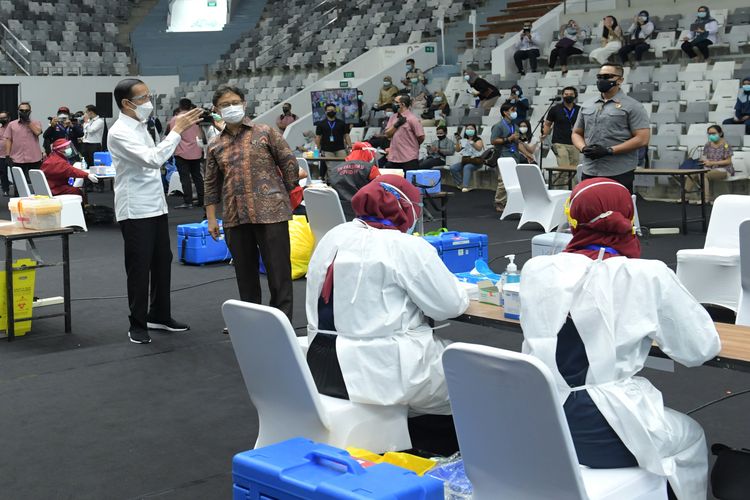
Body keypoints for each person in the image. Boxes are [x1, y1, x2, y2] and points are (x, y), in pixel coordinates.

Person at [520, 177, 720, 500]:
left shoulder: (536, 269)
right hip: (605, 428)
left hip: (542, 421)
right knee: (692, 437)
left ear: (573, 218)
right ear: (629, 218)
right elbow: (700, 348)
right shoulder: (647, 274)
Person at [305, 175, 469, 455]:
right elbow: (449, 306)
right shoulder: (404, 246)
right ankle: (463, 449)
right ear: (406, 209)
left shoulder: (334, 235)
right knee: (473, 371)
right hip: (381, 370)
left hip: (319, 363)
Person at [107, 78, 203, 344]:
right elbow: (153, 159)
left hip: (155, 204)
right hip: (135, 207)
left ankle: (159, 314)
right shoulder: (119, 132)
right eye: (143, 98)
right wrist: (177, 131)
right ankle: (137, 323)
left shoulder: (142, 126)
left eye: (149, 96)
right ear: (127, 103)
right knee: (139, 266)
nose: (148, 102)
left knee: (162, 261)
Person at [204, 84, 299, 325]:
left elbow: (289, 163)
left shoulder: (265, 132)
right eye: (225, 105)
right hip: (235, 216)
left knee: (278, 271)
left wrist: (283, 195)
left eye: (235, 102)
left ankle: (281, 322)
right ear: (217, 110)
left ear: (244, 104)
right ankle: (252, 322)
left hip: (272, 213)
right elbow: (211, 184)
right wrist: (212, 218)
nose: (231, 107)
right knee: (244, 274)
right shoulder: (215, 145)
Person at [571, 64, 650, 193]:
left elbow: (642, 139)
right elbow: (576, 133)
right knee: (589, 210)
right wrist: (583, 148)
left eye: (607, 77)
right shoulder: (587, 105)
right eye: (600, 77)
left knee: (616, 211)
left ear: (620, 80)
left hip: (618, 171)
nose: (602, 80)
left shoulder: (633, 106)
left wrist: (609, 150)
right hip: (590, 169)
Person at [168, 98, 206, 209]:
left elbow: (173, 135)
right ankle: (202, 200)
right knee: (198, 177)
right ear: (190, 107)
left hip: (181, 152)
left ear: (180, 106)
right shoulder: (196, 118)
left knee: (185, 178)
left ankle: (188, 201)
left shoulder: (175, 119)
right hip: (196, 151)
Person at [327, 141, 381, 216]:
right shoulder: (371, 169)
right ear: (369, 153)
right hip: (363, 213)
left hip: (339, 212)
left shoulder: (334, 170)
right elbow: (379, 189)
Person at [685, 125, 734, 202]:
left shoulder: (726, 145)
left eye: (713, 133)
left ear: (720, 133)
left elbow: (728, 161)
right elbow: (704, 157)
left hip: (724, 170)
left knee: (703, 175)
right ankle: (685, 198)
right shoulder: (708, 144)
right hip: (709, 168)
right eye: (709, 134)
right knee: (691, 174)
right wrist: (703, 160)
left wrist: (712, 163)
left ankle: (705, 199)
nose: (711, 136)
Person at [4, 101, 43, 187]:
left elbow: (37, 132)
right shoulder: (12, 124)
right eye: (22, 110)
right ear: (18, 111)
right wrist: (7, 156)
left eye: (26, 110)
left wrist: (28, 122)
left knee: (36, 184)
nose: (24, 112)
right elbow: (8, 140)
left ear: (30, 111)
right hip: (17, 159)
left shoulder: (36, 123)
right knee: (19, 185)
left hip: (34, 159)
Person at [490, 102, 520, 212]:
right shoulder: (498, 126)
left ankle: (509, 201)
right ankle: (499, 201)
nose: (514, 113)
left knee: (513, 180)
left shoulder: (514, 125)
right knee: (503, 180)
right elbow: (493, 140)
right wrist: (508, 139)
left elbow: (516, 141)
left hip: (514, 155)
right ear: (505, 112)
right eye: (512, 110)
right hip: (503, 155)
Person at [542, 86, 581, 169]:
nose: (568, 96)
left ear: (575, 96)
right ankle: (561, 182)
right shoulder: (555, 109)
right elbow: (548, 124)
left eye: (571, 94)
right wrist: (544, 134)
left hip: (575, 143)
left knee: (574, 169)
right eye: (566, 94)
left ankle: (573, 183)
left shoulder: (579, 109)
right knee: (564, 167)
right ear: (562, 96)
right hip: (559, 142)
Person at [384, 95, 425, 171]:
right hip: (394, 157)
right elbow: (387, 134)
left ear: (403, 104)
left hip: (409, 157)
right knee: (393, 182)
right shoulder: (393, 117)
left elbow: (421, 137)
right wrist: (396, 125)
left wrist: (413, 145)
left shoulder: (412, 119)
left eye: (396, 102)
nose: (393, 104)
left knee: (409, 181)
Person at [315, 103, 351, 179]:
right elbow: (318, 137)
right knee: (331, 168)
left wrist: (350, 146)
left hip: (340, 148)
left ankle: (343, 182)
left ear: (335, 111)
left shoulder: (341, 123)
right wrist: (317, 148)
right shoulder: (321, 124)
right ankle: (332, 183)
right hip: (327, 150)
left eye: (333, 110)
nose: (331, 111)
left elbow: (346, 135)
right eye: (329, 110)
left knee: (343, 167)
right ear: (325, 112)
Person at [450, 124, 484, 192]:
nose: (469, 130)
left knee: (467, 167)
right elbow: (457, 150)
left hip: (476, 161)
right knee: (453, 168)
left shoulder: (478, 139)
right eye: (468, 129)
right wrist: (458, 141)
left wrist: (472, 143)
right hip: (466, 160)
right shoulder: (463, 140)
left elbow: (479, 148)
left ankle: (466, 186)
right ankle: (460, 184)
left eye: (471, 129)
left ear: (475, 130)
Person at [0, 110, 10, 196]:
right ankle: (5, 189)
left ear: (8, 118)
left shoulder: (12, 128)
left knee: (15, 173)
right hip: (1, 155)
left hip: (12, 155)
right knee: (3, 174)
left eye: (4, 117)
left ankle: (18, 191)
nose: (3, 119)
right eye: (1, 118)